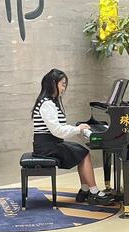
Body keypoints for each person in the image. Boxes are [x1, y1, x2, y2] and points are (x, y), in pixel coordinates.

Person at [31, 68, 114, 205]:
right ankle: (94, 192)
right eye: (62, 84)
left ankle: (84, 191)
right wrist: (78, 129)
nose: (64, 88)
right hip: (47, 147)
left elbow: (58, 128)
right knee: (84, 154)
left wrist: (77, 129)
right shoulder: (47, 104)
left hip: (49, 144)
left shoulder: (48, 101)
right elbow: (58, 131)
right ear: (53, 83)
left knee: (82, 152)